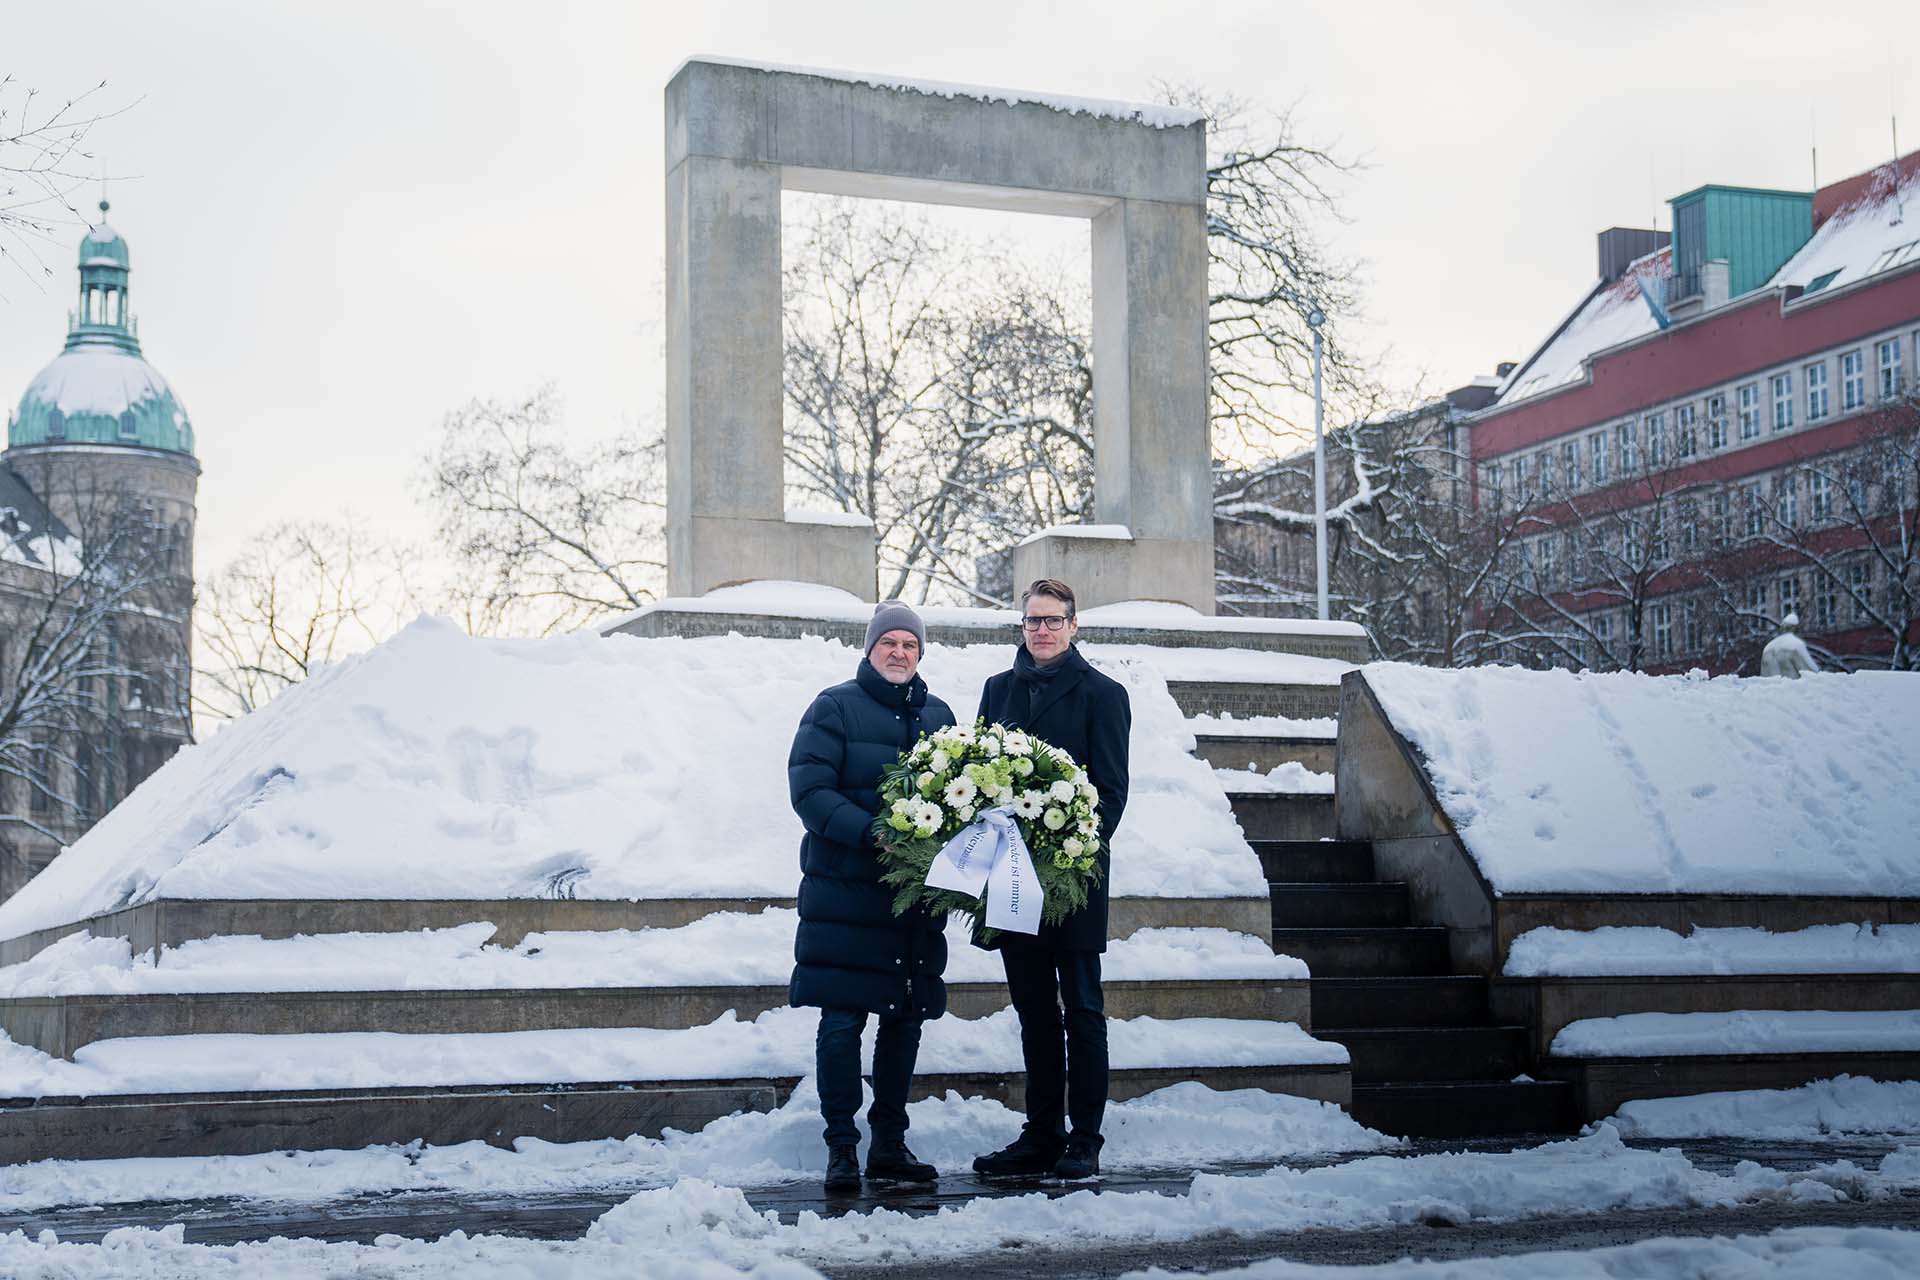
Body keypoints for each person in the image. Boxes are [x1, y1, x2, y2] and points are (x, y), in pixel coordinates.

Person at [788, 602, 955, 1192]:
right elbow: (810, 790)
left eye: (910, 643)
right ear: (869, 648)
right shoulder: (834, 707)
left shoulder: (939, 715)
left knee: (904, 1021)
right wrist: (872, 833)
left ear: (920, 653)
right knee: (841, 1023)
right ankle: (841, 1146)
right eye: (889, 642)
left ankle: (889, 1144)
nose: (899, 652)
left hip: (912, 903)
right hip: (845, 898)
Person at [969, 579, 1130, 1180]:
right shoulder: (997, 691)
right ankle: (1041, 1133)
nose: (1041, 630)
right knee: (1034, 1011)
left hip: (1073, 881)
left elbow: (1111, 792)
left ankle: (1085, 1137)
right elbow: (979, 777)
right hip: (1010, 882)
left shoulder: (1102, 694)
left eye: (1052, 621)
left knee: (1082, 1009)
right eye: (1032, 621)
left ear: (1073, 625)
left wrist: (1067, 856)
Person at [1759, 612, 1818, 679]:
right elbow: (1811, 673)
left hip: (1773, 688)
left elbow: (1763, 676)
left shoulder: (1767, 648)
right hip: (1792, 688)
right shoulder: (1795, 645)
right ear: (1795, 628)